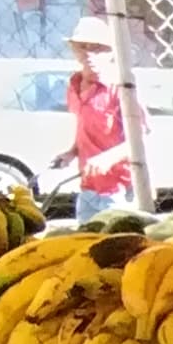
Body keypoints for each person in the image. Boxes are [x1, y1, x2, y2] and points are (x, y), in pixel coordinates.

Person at [55, 15, 135, 220]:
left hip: (118, 189)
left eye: (97, 48)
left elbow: (140, 139)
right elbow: (84, 128)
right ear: (74, 50)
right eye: (83, 47)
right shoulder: (73, 85)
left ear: (110, 53)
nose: (89, 54)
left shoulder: (122, 87)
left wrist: (109, 157)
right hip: (88, 186)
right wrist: (71, 152)